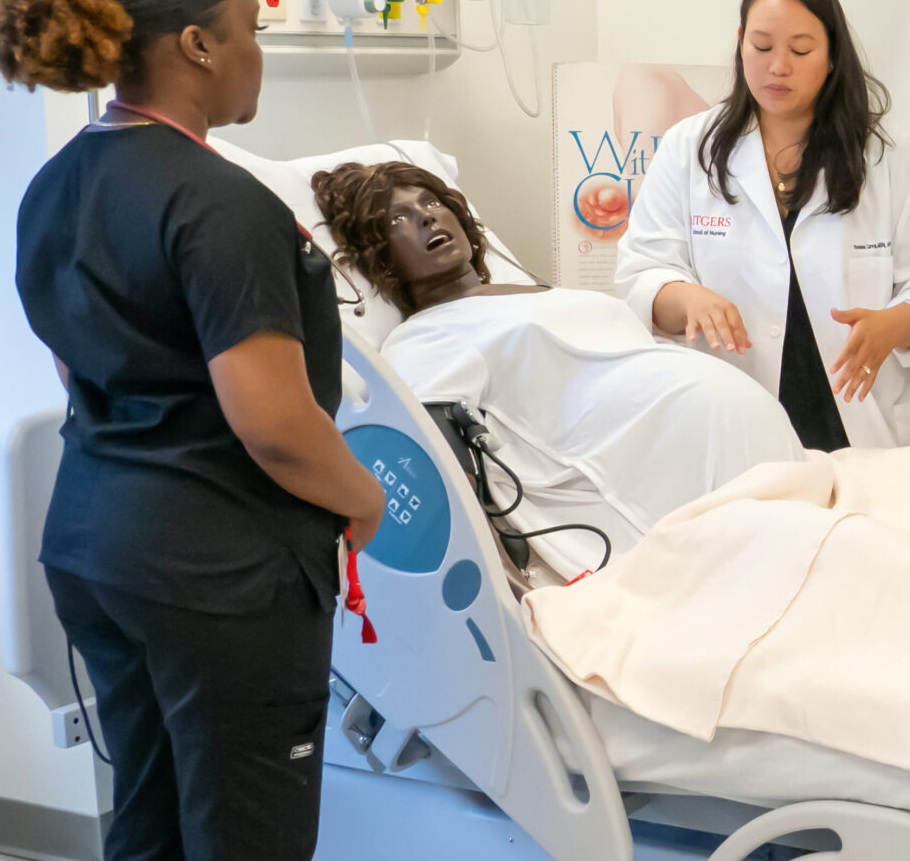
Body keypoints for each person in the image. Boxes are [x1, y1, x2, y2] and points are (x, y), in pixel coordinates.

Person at [0, 0, 395, 861]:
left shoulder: (57, 187)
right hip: (219, 575)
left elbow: (74, 369)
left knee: (152, 841)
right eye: (251, 28)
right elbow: (274, 422)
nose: (261, 51)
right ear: (198, 43)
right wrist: (359, 497)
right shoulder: (218, 202)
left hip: (97, 545)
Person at [314, 159, 802, 574]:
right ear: (382, 259)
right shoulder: (426, 335)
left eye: (431, 203)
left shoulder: (540, 290)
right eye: (399, 220)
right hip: (662, 498)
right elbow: (440, 470)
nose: (425, 219)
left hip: (742, 458)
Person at [615, 0, 910, 450]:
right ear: (741, 39)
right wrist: (686, 297)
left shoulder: (887, 157)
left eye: (801, 49)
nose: (777, 66)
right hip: (733, 420)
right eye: (761, 46)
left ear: (832, 53)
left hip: (862, 421)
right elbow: (641, 273)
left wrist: (893, 325)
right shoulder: (689, 149)